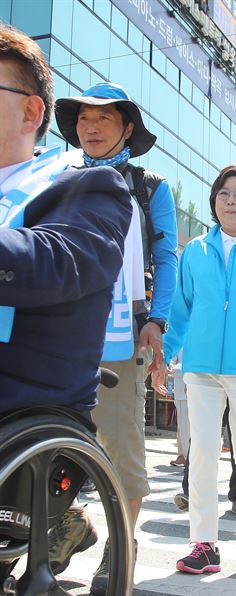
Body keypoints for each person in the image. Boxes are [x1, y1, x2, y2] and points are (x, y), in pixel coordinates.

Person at [51, 82, 178, 595]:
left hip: (124, 329)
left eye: (105, 118)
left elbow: (167, 258)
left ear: (127, 127)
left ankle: (120, 547)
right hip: (60, 327)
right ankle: (68, 525)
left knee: (120, 440)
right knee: (51, 433)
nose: (92, 126)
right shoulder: (56, 177)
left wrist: (159, 320)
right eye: (84, 118)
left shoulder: (150, 187)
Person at [0, 24, 129, 431]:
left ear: (31, 112)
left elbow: (52, 261)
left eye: (103, 119)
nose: (92, 128)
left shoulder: (89, 186)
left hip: (22, 402)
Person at [153, 165, 236, 573]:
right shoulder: (196, 252)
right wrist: (165, 354)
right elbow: (181, 310)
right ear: (214, 201)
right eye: (223, 193)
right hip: (201, 367)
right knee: (201, 455)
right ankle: (204, 543)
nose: (230, 201)